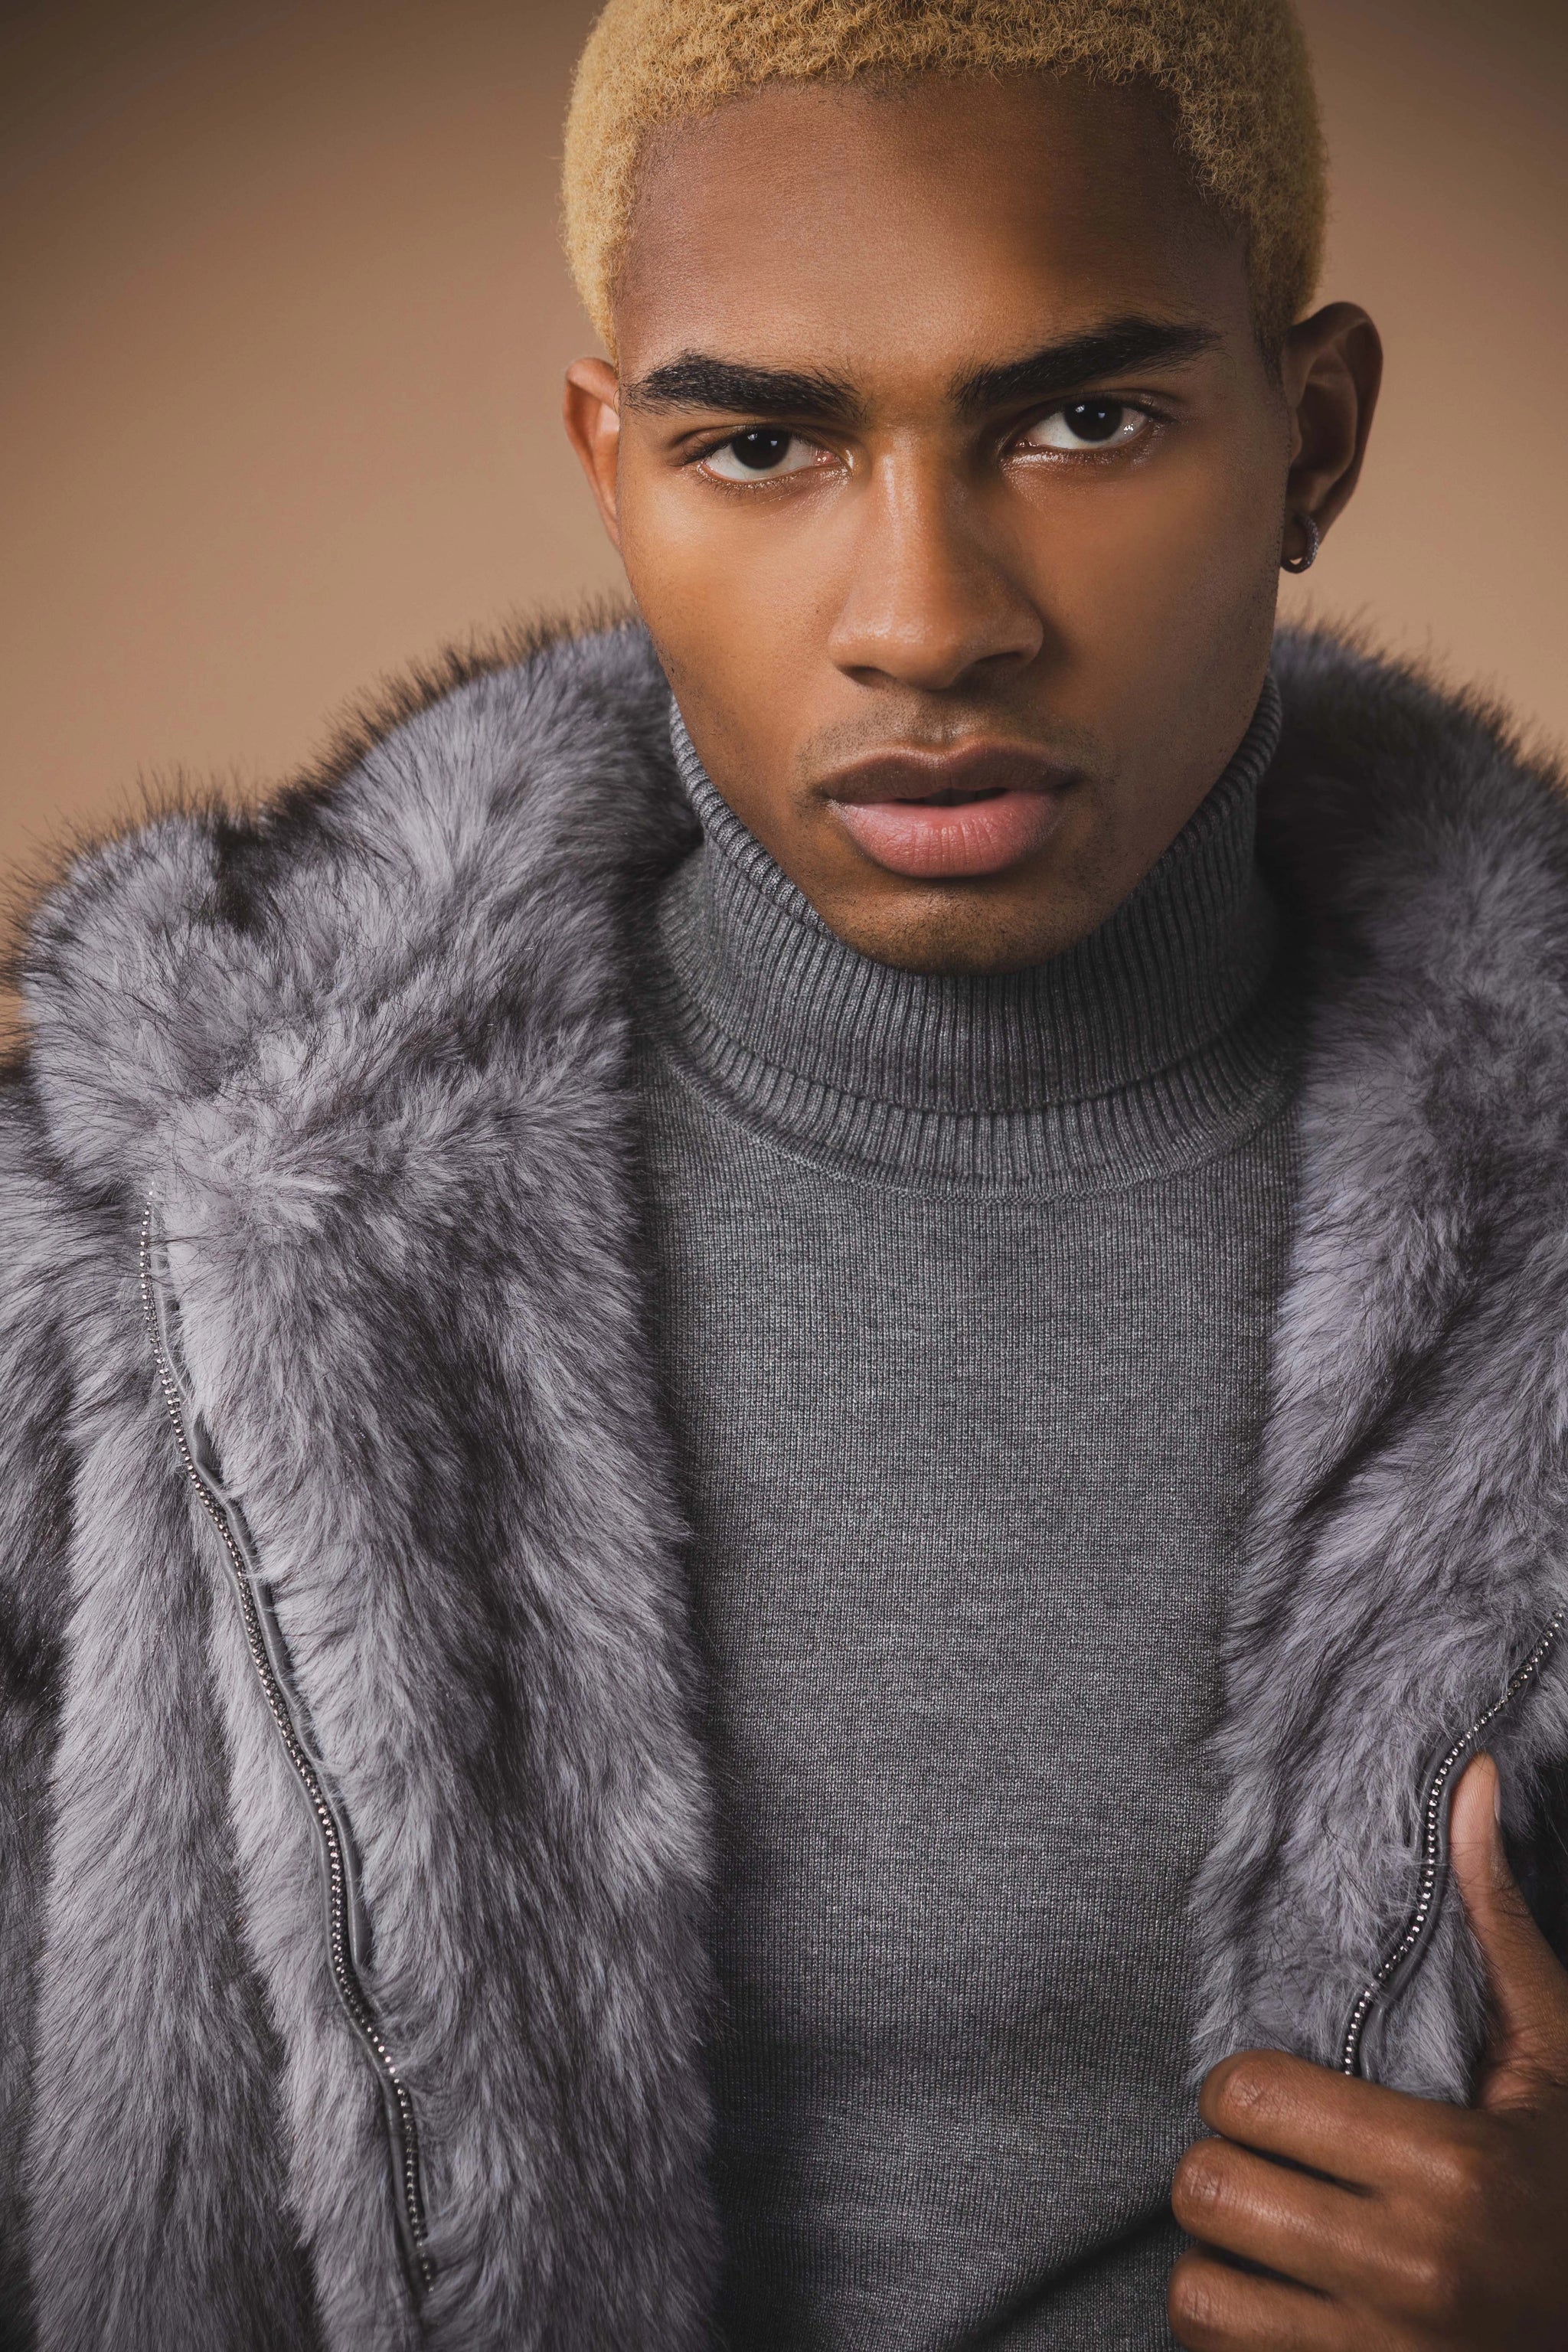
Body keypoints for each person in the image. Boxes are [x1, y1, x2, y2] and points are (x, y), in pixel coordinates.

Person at [4, 0, 1568, 2344]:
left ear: (1311, 436)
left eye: (1085, 419)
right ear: (610, 465)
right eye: (759, 445)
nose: (928, 620)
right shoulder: (149, 1241)